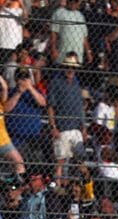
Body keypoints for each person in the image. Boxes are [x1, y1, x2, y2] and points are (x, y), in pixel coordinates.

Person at [45, 53, 86, 182]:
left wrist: (83, 126)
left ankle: (84, 188)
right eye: (68, 67)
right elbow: (50, 106)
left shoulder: (76, 83)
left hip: (75, 128)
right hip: (61, 128)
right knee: (60, 161)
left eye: (73, 67)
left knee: (80, 160)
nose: (71, 70)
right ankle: (58, 188)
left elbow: (80, 106)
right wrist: (53, 127)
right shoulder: (55, 82)